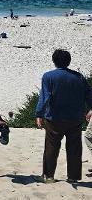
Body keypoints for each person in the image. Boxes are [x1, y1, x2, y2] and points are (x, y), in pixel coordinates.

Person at [35, 49, 92, 183]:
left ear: (54, 61)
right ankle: (73, 177)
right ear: (69, 61)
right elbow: (88, 95)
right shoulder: (79, 77)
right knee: (74, 149)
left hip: (54, 118)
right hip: (75, 118)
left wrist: (39, 114)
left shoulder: (48, 76)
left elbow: (45, 97)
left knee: (51, 147)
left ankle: (48, 176)